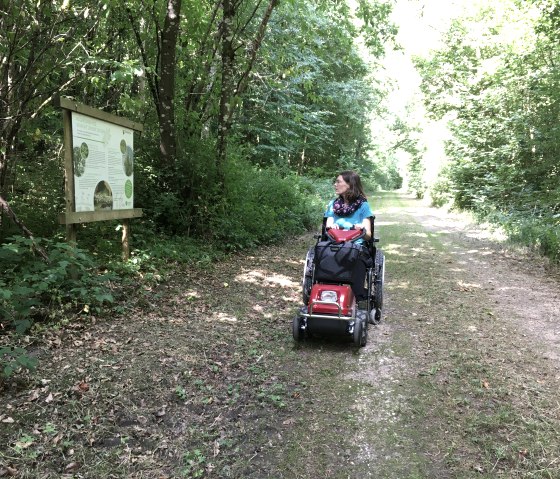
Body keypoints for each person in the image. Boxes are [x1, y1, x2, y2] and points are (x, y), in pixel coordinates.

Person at [325, 170, 373, 241]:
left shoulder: (363, 205)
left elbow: (368, 236)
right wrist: (331, 227)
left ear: (349, 184)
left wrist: (362, 230)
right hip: (333, 245)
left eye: (338, 182)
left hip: (355, 247)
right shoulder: (332, 204)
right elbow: (327, 227)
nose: (335, 184)